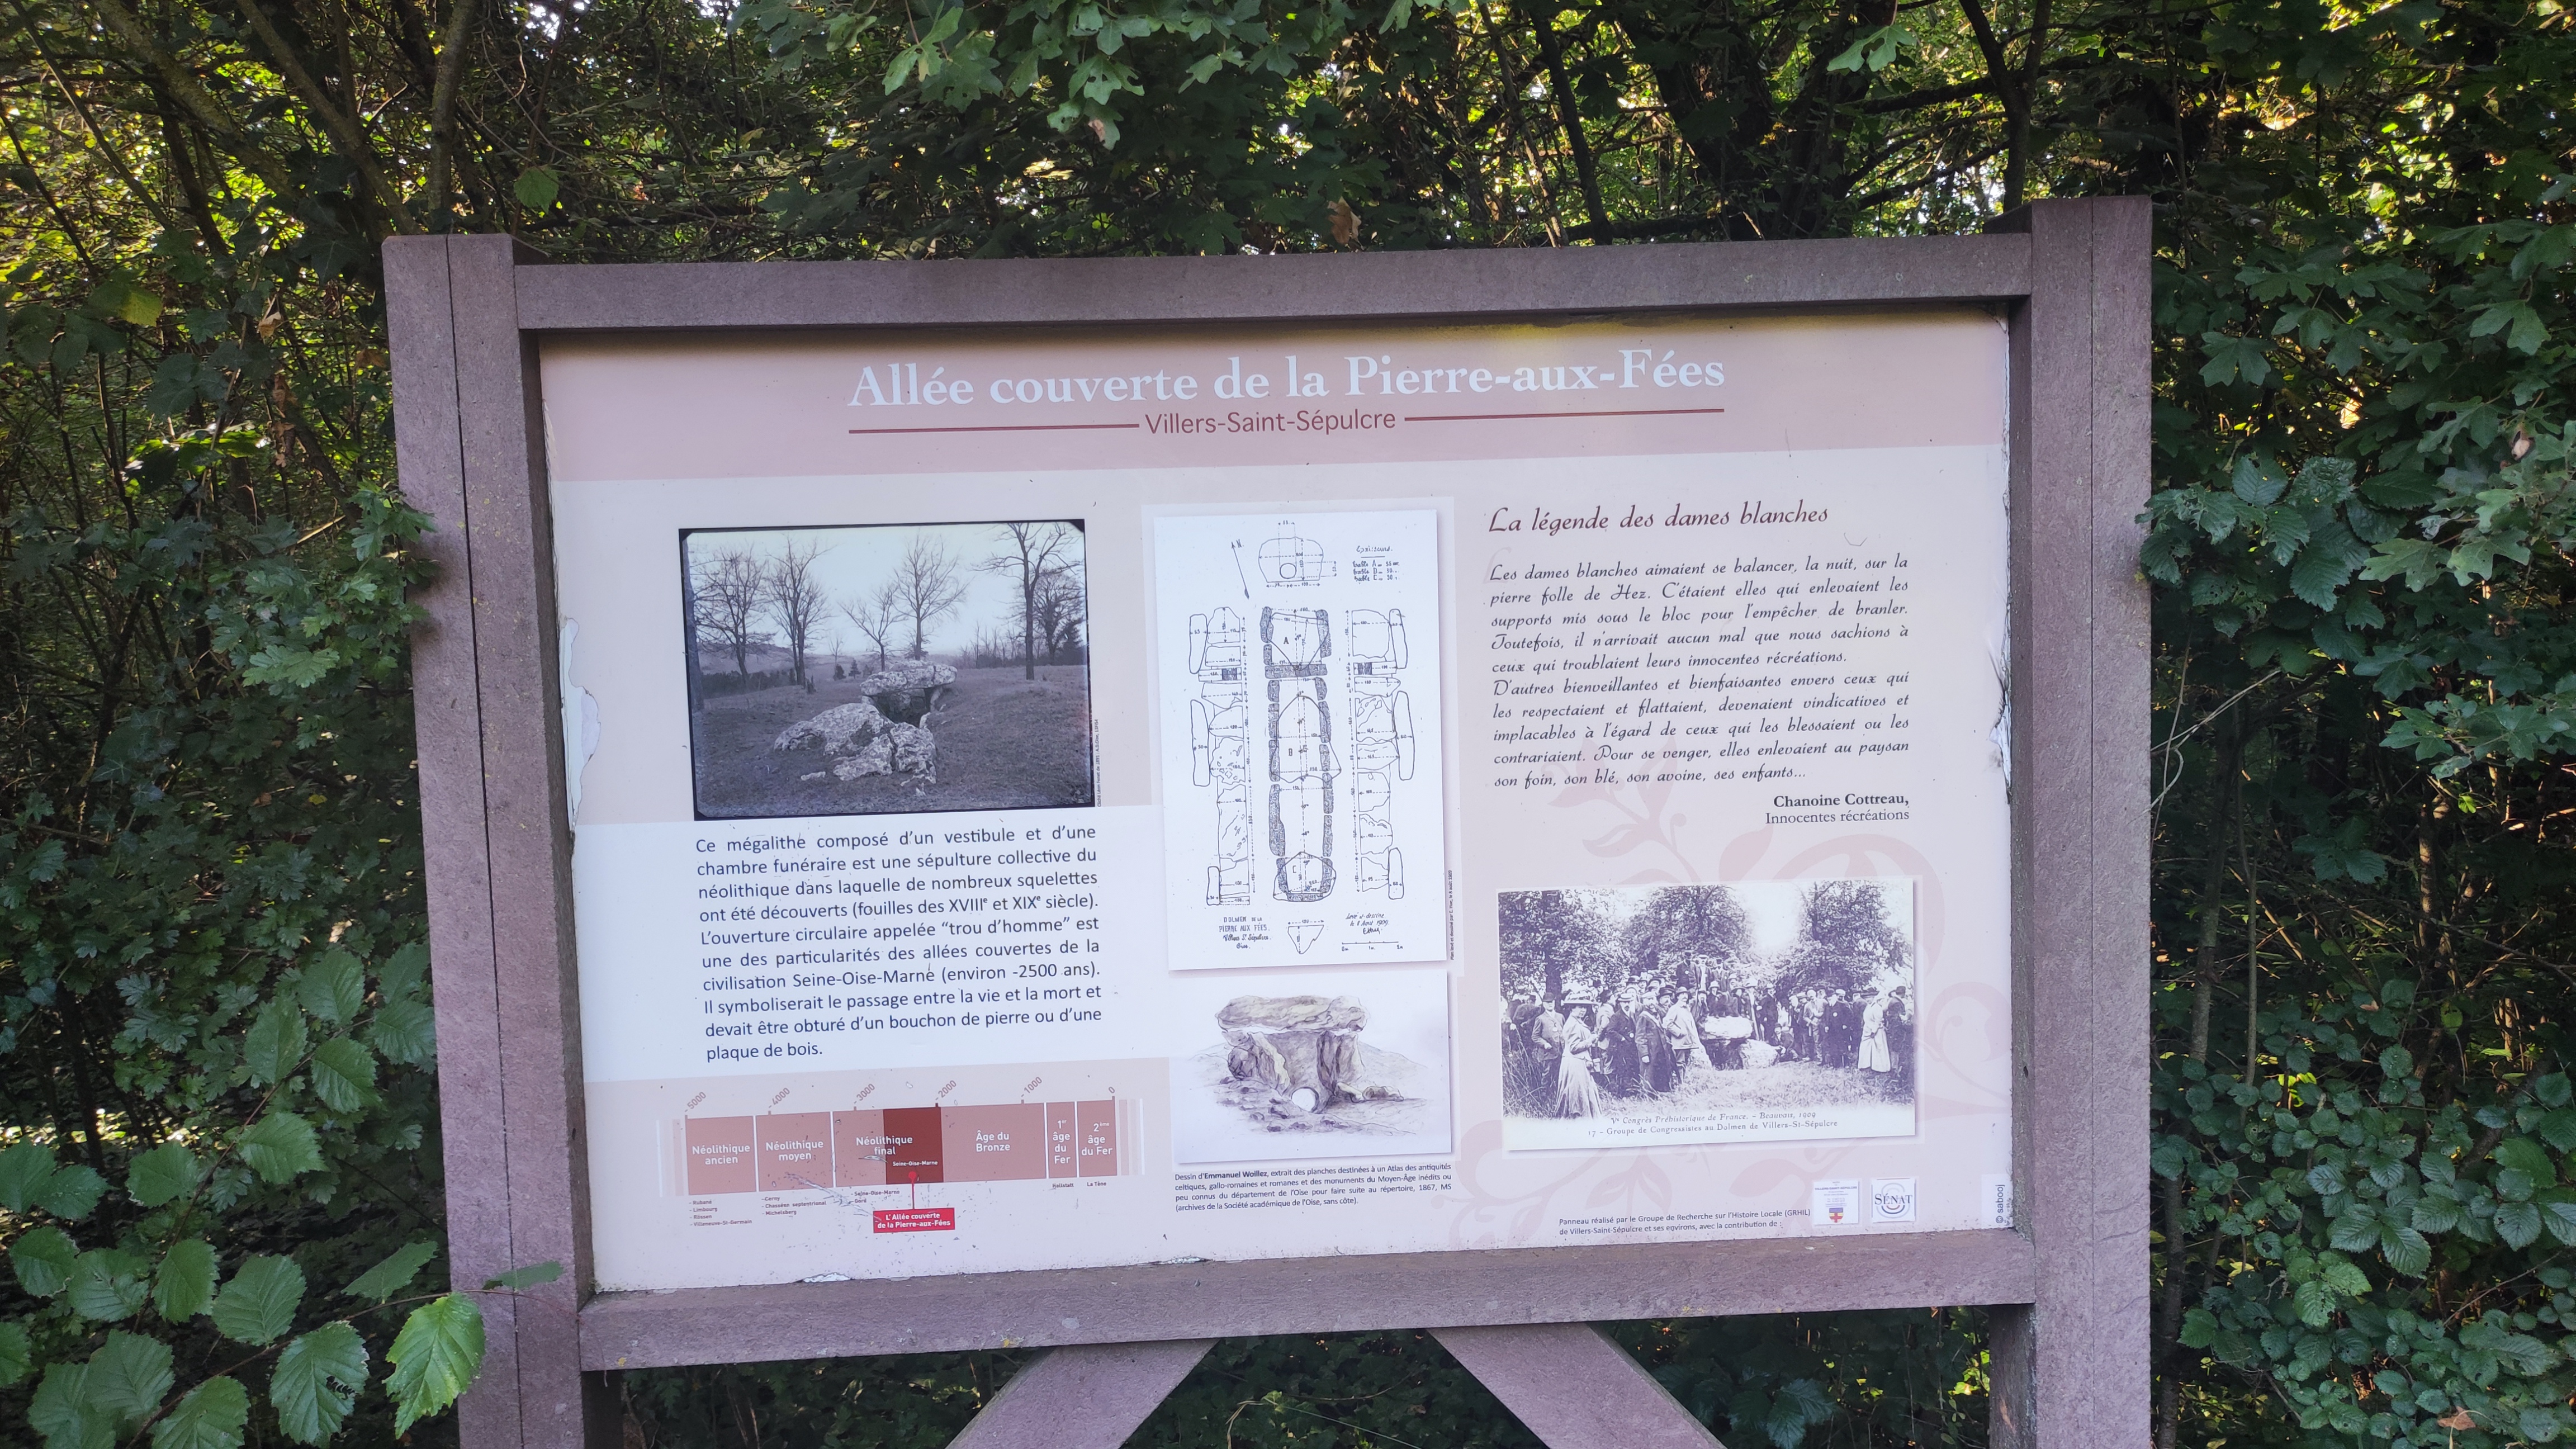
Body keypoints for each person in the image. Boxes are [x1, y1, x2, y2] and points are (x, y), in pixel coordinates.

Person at [1555, 1003, 1604, 1116]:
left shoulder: (1577, 1021)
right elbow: (1574, 1047)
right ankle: (1577, 1119)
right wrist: (1590, 1040)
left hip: (1578, 1061)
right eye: (1580, 1007)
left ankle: (1581, 1118)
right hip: (1575, 1063)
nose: (1583, 1010)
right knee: (1576, 1093)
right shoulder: (1572, 1024)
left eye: (1585, 1007)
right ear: (1572, 1008)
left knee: (1580, 1092)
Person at [1602, 996, 1642, 1098]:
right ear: (1620, 1003)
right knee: (1623, 1070)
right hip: (1620, 1048)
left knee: (1632, 1068)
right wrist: (1622, 1038)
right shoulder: (1617, 1016)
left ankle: (1633, 1091)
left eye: (1629, 1002)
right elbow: (1610, 1031)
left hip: (1631, 1046)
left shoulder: (1632, 1014)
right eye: (1624, 1002)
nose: (1627, 1004)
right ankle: (1624, 1094)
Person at [1661, 991, 1702, 1084]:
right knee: (1680, 1063)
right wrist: (1679, 1033)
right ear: (1678, 996)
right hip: (1679, 1041)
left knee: (1686, 1061)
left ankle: (1682, 1081)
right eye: (1682, 995)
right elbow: (1668, 1023)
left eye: (1686, 995)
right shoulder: (1675, 1008)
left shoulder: (1686, 1008)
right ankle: (1681, 1083)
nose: (1685, 996)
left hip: (1688, 1041)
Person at [1859, 991, 1893, 1073]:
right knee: (1865, 1048)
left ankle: (1880, 1068)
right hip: (1867, 1030)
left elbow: (1878, 1021)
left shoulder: (1877, 1007)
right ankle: (1866, 1066)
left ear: (1874, 997)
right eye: (1866, 998)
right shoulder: (1868, 1006)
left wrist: (1874, 1032)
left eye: (1870, 998)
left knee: (1878, 1049)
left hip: (1877, 1031)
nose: (1868, 1000)